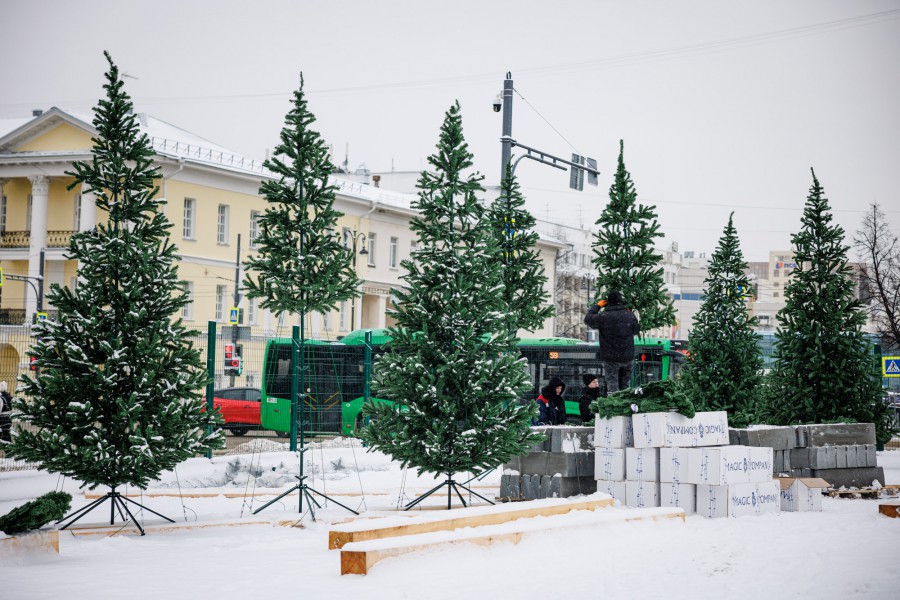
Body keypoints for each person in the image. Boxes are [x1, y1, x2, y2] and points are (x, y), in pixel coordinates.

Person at [584, 289, 640, 395]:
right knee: (625, 386)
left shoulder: (603, 316)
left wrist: (597, 306)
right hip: (628, 357)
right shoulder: (629, 315)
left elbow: (588, 319)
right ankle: (626, 406)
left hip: (611, 358)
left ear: (608, 302)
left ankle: (614, 407)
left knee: (612, 388)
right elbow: (636, 330)